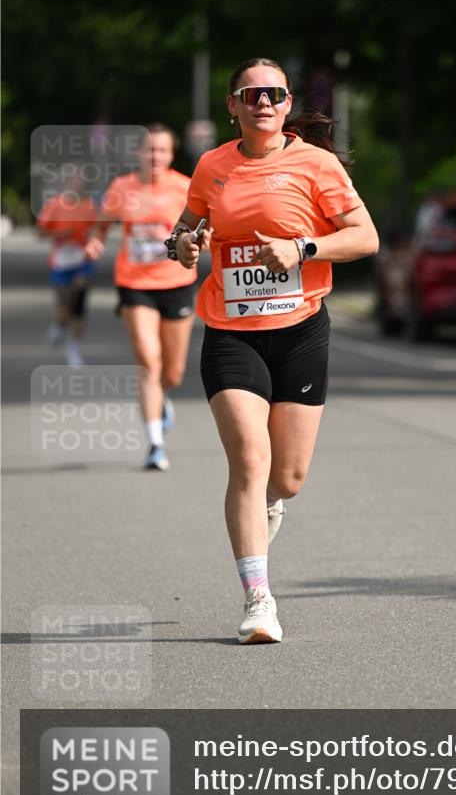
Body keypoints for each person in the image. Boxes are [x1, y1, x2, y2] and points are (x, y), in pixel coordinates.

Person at [167, 57, 379, 644]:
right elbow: (183, 231)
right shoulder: (213, 166)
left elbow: (366, 238)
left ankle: (269, 510)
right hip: (231, 330)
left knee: (286, 477)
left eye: (275, 93)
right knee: (249, 462)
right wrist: (184, 247)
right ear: (232, 105)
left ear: (287, 106)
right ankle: (258, 600)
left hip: (301, 328)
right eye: (251, 93)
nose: (264, 102)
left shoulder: (317, 164)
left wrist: (303, 248)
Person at [85, 123, 195, 470]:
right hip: (134, 283)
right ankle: (155, 444)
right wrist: (96, 240)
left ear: (171, 154)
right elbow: (102, 223)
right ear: (139, 153)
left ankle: (162, 399)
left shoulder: (185, 187)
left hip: (176, 282)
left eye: (161, 150)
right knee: (149, 361)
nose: (155, 156)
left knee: (173, 373)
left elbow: (204, 228)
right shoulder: (122, 187)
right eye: (149, 150)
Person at [37, 167, 98, 367]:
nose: (77, 184)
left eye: (80, 180)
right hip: (61, 262)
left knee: (78, 302)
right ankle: (59, 326)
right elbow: (40, 233)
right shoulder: (54, 205)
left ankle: (74, 349)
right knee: (65, 309)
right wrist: (60, 235)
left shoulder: (89, 206)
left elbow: (97, 231)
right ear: (66, 182)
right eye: (73, 180)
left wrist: (92, 239)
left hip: (82, 261)